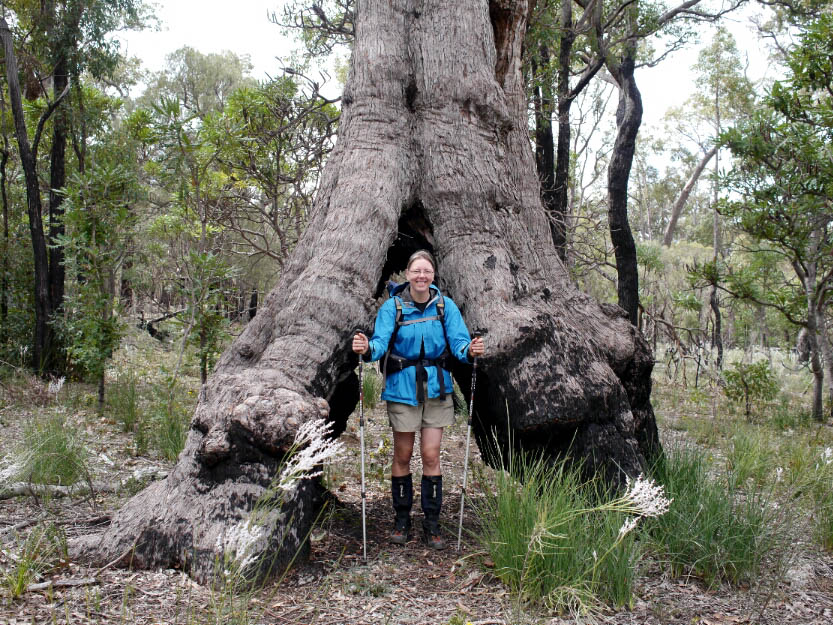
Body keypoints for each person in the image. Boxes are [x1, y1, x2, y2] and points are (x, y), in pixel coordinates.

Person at [352, 250, 485, 549]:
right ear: (408, 275)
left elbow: (460, 343)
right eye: (416, 271)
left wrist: (470, 351)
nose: (421, 276)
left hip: (437, 390)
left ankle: (432, 523)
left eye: (426, 271)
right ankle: (402, 519)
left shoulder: (445, 306)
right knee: (401, 455)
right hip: (402, 390)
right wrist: (365, 348)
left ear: (433, 275)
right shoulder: (393, 307)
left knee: (431, 455)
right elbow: (379, 344)